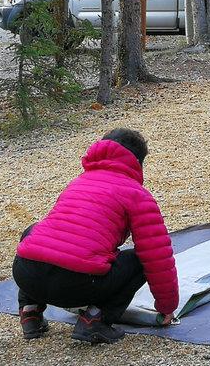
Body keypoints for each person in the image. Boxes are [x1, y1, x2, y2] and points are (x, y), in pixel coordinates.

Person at [12, 129, 178, 344]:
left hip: (26, 275)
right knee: (140, 259)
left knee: (35, 233)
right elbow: (157, 256)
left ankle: (30, 312)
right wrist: (166, 307)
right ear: (137, 162)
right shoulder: (136, 194)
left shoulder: (78, 182)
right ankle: (95, 320)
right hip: (76, 285)